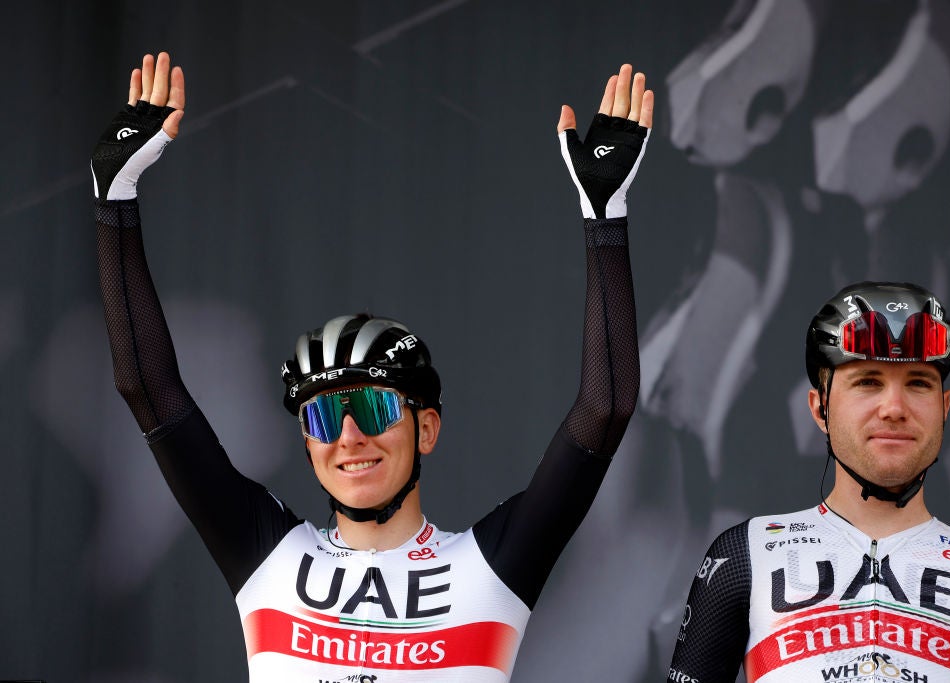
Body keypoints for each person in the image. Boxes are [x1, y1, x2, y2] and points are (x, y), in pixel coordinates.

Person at [91, 52, 651, 682]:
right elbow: (147, 388)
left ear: (429, 428)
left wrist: (605, 220)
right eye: (326, 415)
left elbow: (606, 407)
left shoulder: (494, 564)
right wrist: (115, 198)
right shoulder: (265, 554)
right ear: (308, 442)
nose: (349, 436)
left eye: (376, 408)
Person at [666, 281, 950, 682]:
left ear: (945, 408)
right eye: (868, 381)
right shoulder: (745, 555)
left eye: (918, 383)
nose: (894, 408)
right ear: (820, 407)